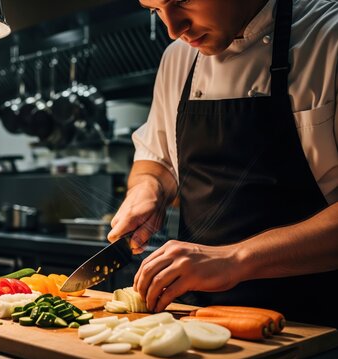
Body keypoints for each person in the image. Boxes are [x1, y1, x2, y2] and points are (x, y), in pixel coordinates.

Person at [108, 0, 338, 328]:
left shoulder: (329, 36)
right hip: (196, 321)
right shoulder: (178, 58)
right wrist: (148, 190)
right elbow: (155, 159)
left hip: (318, 324)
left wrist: (235, 259)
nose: (173, 29)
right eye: (154, 9)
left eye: (182, 1)